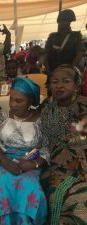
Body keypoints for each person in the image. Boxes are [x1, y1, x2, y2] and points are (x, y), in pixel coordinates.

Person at [0, 77, 49, 225]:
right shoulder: (3, 116)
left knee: (31, 187)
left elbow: (46, 149)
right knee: (5, 182)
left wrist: (33, 164)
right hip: (6, 160)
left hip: (30, 161)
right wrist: (5, 162)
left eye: (19, 101)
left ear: (30, 101)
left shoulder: (41, 120)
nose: (13, 104)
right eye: (11, 99)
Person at [40, 65, 87, 224]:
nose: (59, 86)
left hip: (82, 166)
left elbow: (81, 141)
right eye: (54, 82)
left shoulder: (84, 106)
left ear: (76, 85)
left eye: (66, 81)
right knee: (58, 194)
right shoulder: (46, 106)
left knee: (81, 196)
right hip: (51, 165)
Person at [44, 9, 85, 76]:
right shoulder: (52, 36)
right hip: (52, 71)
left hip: (69, 72)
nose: (62, 23)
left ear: (69, 22)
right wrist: (49, 72)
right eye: (61, 21)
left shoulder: (76, 36)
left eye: (65, 21)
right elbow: (45, 56)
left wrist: (69, 70)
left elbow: (80, 54)